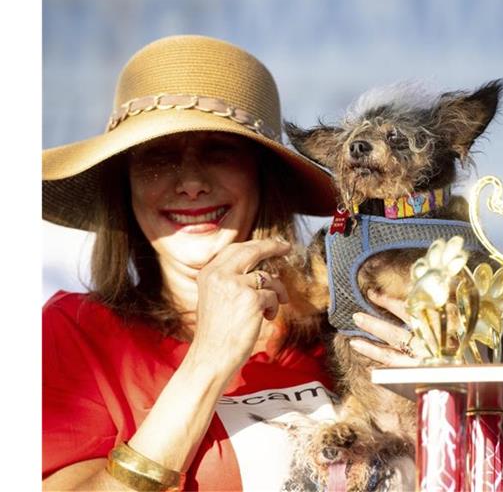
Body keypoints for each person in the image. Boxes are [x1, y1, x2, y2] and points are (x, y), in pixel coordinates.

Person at [42, 34, 347, 491]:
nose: (190, 183)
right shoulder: (75, 332)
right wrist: (209, 359)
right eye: (159, 156)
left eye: (219, 152)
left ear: (263, 177)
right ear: (125, 185)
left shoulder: (341, 325)